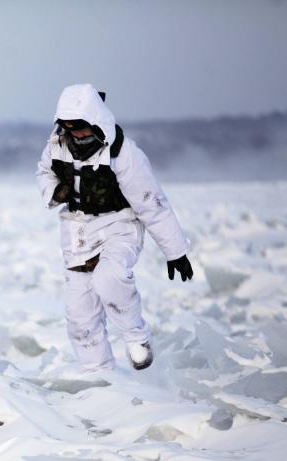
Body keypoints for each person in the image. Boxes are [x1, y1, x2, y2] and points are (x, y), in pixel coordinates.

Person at [36, 84, 193, 372]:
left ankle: (137, 338)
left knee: (110, 277)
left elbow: (151, 203)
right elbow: (44, 172)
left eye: (81, 128)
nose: (77, 135)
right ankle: (101, 379)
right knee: (80, 317)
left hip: (119, 225)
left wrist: (176, 251)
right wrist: (56, 192)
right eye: (70, 129)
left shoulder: (123, 154)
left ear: (95, 120)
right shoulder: (56, 146)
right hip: (77, 232)